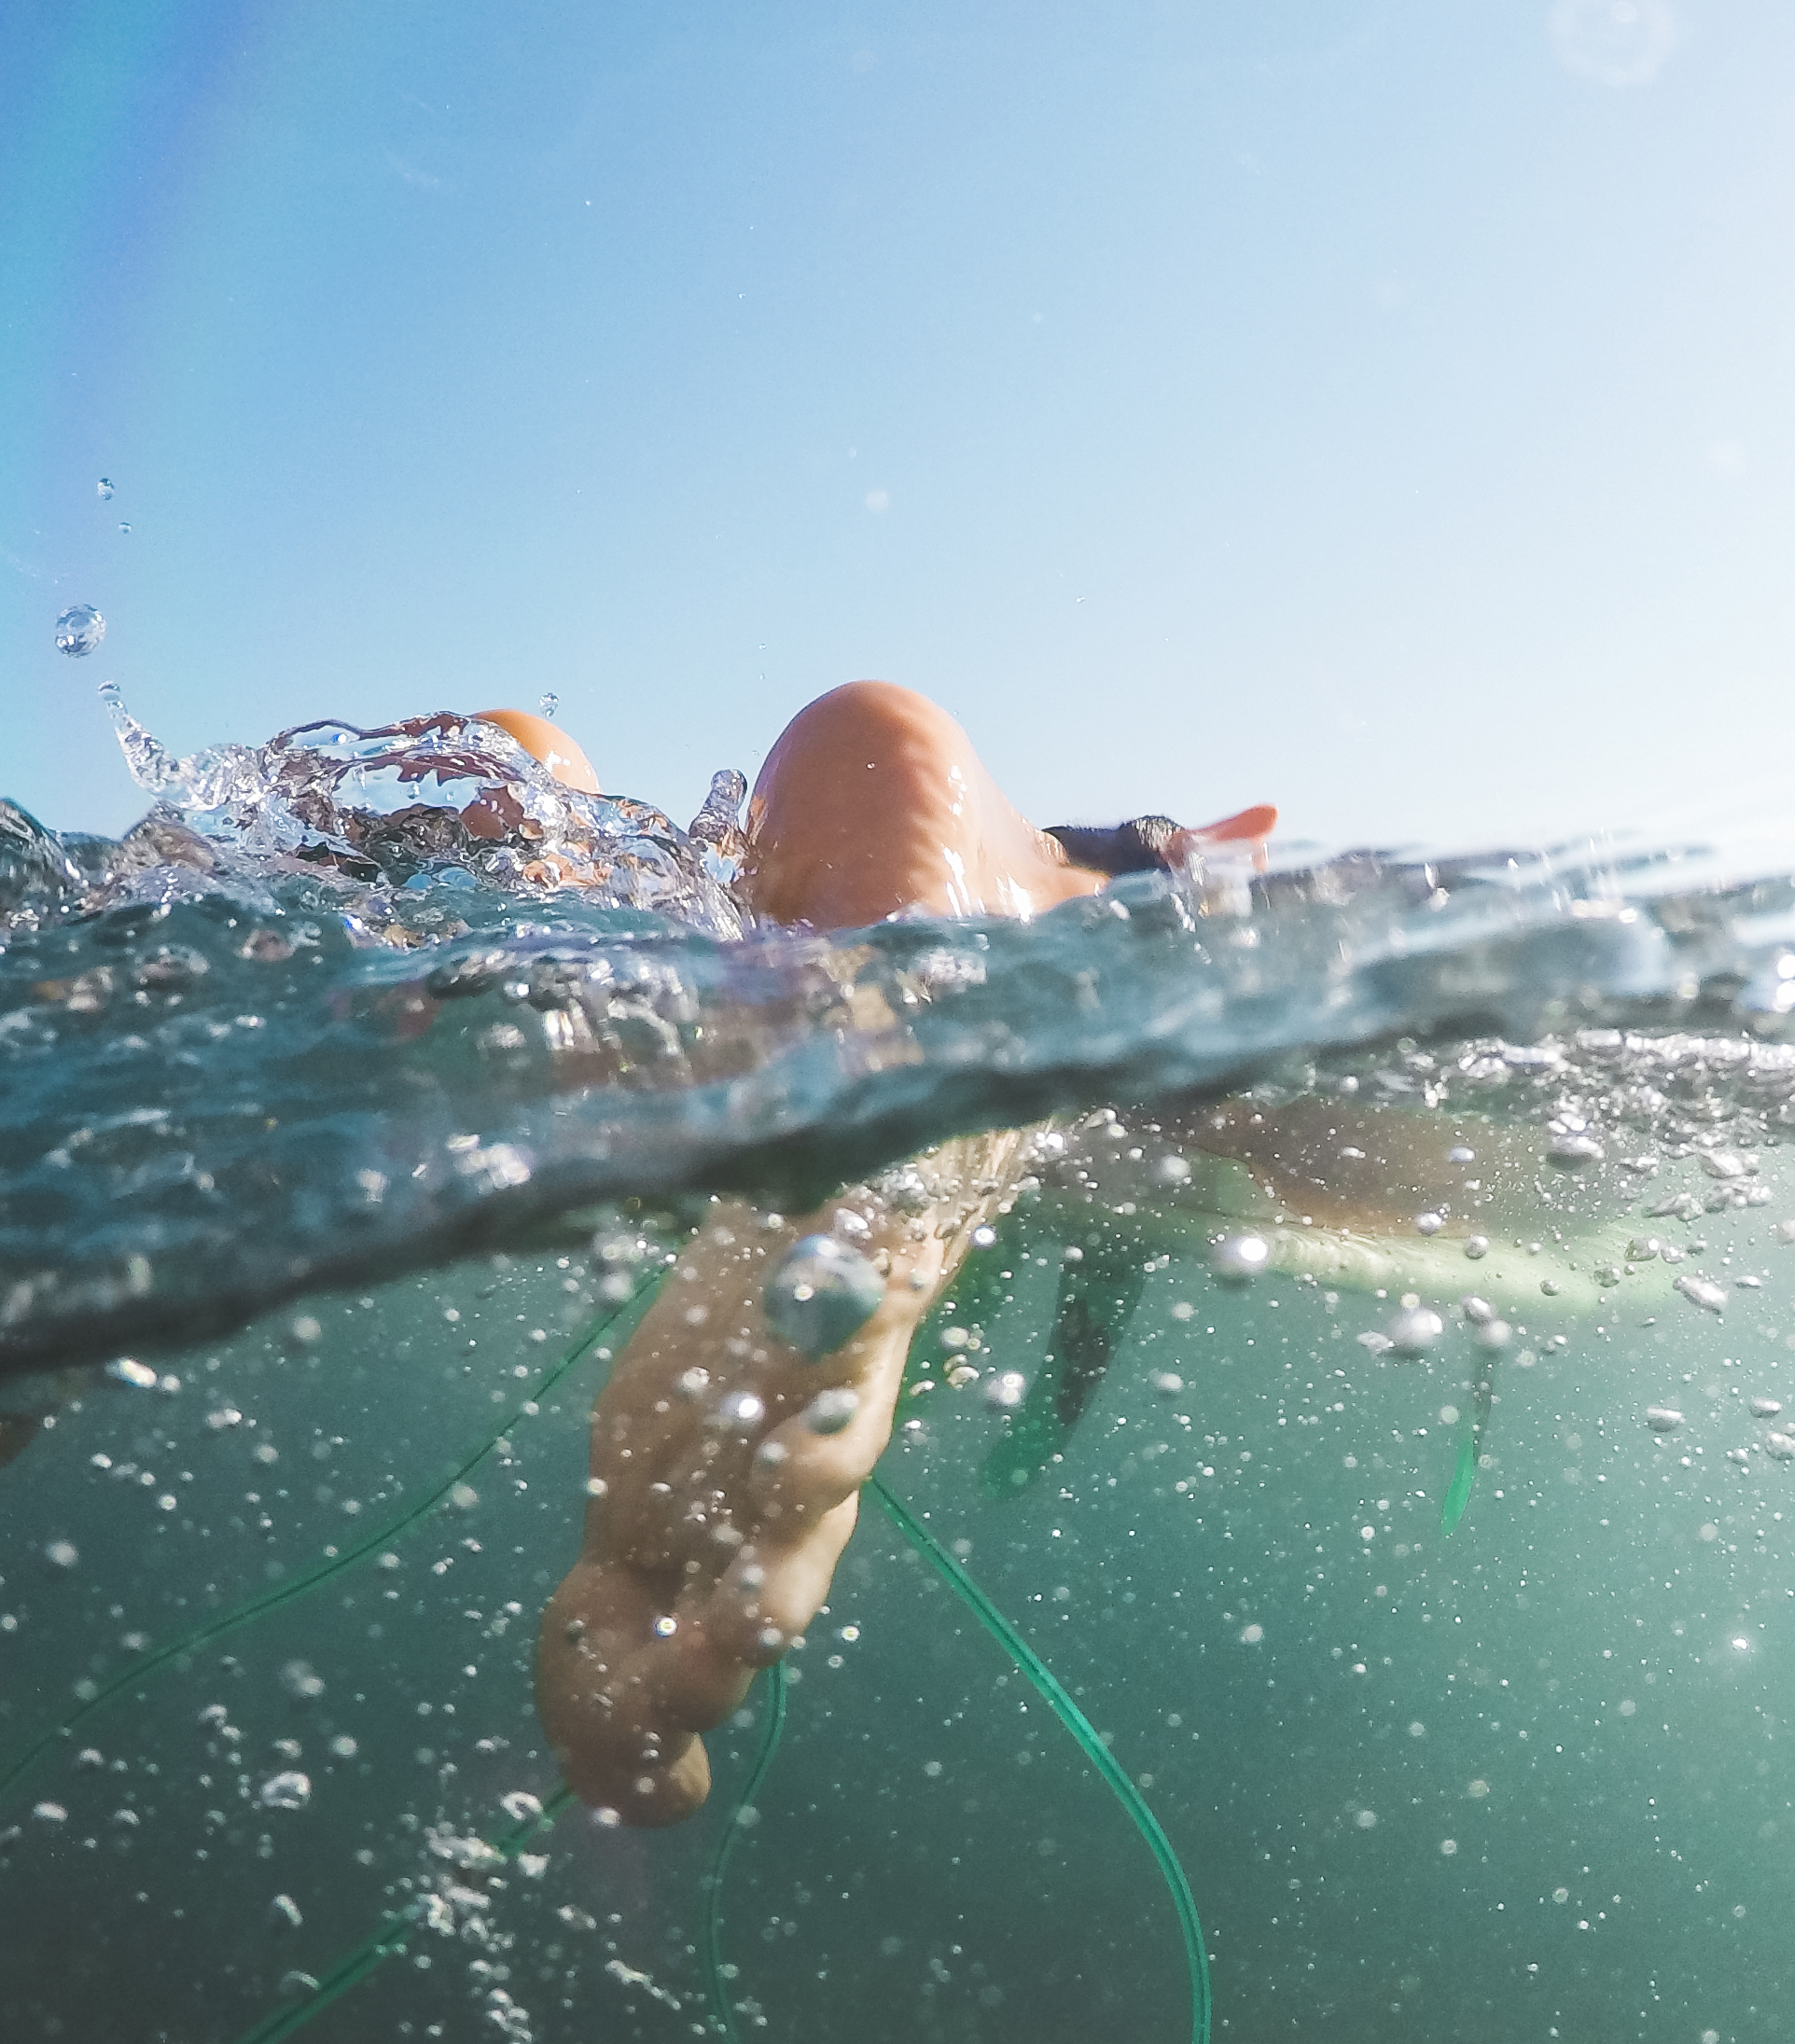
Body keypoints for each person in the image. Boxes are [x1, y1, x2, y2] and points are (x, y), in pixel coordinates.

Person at [523, 683, 1273, 1824]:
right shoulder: (1054, 929)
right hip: (955, 874)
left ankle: (516, 818)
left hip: (790, 907)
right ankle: (868, 1201)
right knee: (903, 1167)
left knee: (599, 912)